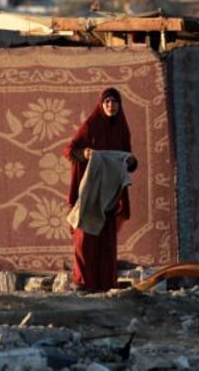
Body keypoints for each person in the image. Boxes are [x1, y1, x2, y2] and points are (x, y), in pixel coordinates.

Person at [63, 87, 136, 292]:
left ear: (119, 106)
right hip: (90, 190)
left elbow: (128, 160)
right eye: (107, 102)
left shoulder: (122, 129)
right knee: (85, 237)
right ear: (101, 105)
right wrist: (84, 154)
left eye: (114, 102)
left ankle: (104, 284)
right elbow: (69, 151)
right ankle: (83, 282)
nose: (110, 106)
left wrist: (130, 162)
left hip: (110, 194)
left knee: (106, 239)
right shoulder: (91, 125)